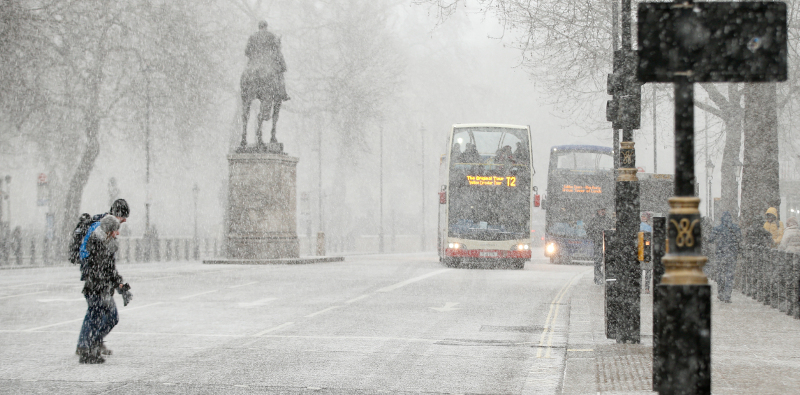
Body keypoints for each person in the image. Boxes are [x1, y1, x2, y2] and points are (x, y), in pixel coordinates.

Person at [76, 199, 129, 361]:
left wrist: (118, 284)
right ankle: (89, 345)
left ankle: (89, 345)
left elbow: (109, 268)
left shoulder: (108, 241)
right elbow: (97, 263)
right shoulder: (99, 236)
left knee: (96, 314)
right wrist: (96, 278)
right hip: (96, 284)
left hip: (99, 284)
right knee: (99, 314)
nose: (124, 222)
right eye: (123, 217)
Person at [245, 20, 290, 101]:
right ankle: (283, 93)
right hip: (267, 64)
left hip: (254, 64)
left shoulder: (252, 36)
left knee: (246, 74)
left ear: (259, 27)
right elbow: (277, 51)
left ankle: (246, 91)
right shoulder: (271, 36)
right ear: (266, 26)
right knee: (280, 76)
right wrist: (283, 66)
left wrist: (254, 56)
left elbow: (247, 52)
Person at [708, 212, 741, 303]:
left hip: (720, 255)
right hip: (732, 255)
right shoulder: (736, 228)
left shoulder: (717, 228)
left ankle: (721, 294)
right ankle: (727, 296)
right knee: (729, 275)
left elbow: (710, 239)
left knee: (720, 275)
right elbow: (740, 240)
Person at [586, 207, 612, 285]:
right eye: (601, 210)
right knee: (597, 262)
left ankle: (606, 278)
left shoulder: (608, 220)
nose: (602, 211)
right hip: (598, 243)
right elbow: (589, 230)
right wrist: (595, 236)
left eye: (604, 210)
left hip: (607, 244)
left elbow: (612, 230)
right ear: (598, 211)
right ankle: (598, 278)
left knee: (607, 262)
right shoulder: (594, 221)